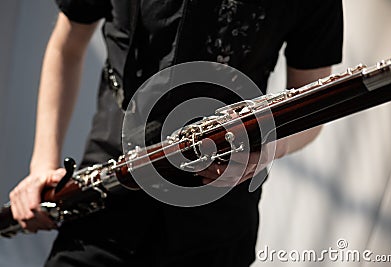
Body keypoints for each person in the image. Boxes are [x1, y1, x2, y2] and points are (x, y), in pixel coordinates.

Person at [9, 0, 343, 266]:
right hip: (105, 207)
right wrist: (43, 167)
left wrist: (268, 149)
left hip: (216, 225)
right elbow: (67, 47)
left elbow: (311, 107)